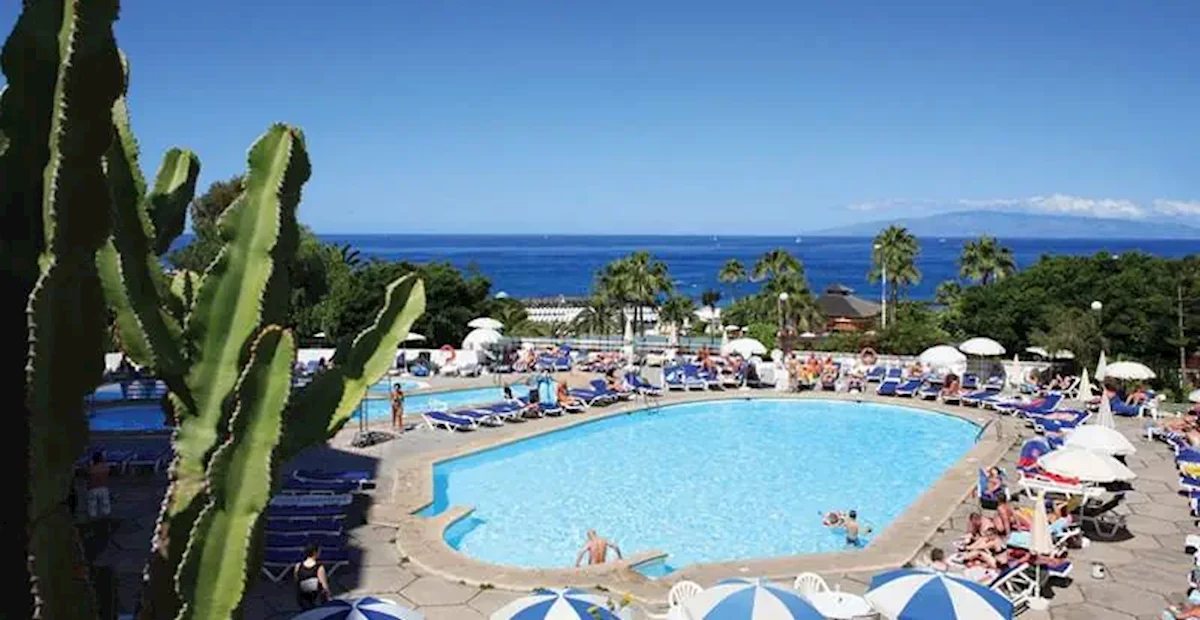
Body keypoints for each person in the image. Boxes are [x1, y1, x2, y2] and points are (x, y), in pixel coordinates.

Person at [294, 544, 331, 609]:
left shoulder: (298, 566)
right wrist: (328, 596)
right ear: (315, 553)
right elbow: (324, 585)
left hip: (303, 597)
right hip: (316, 598)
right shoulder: (319, 567)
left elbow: (297, 580)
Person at [87, 451, 112, 521]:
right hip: (103, 488)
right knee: (105, 507)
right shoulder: (105, 468)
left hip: (93, 489)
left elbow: (87, 474)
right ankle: (106, 521)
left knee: (92, 507)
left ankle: (92, 521)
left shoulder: (91, 469)